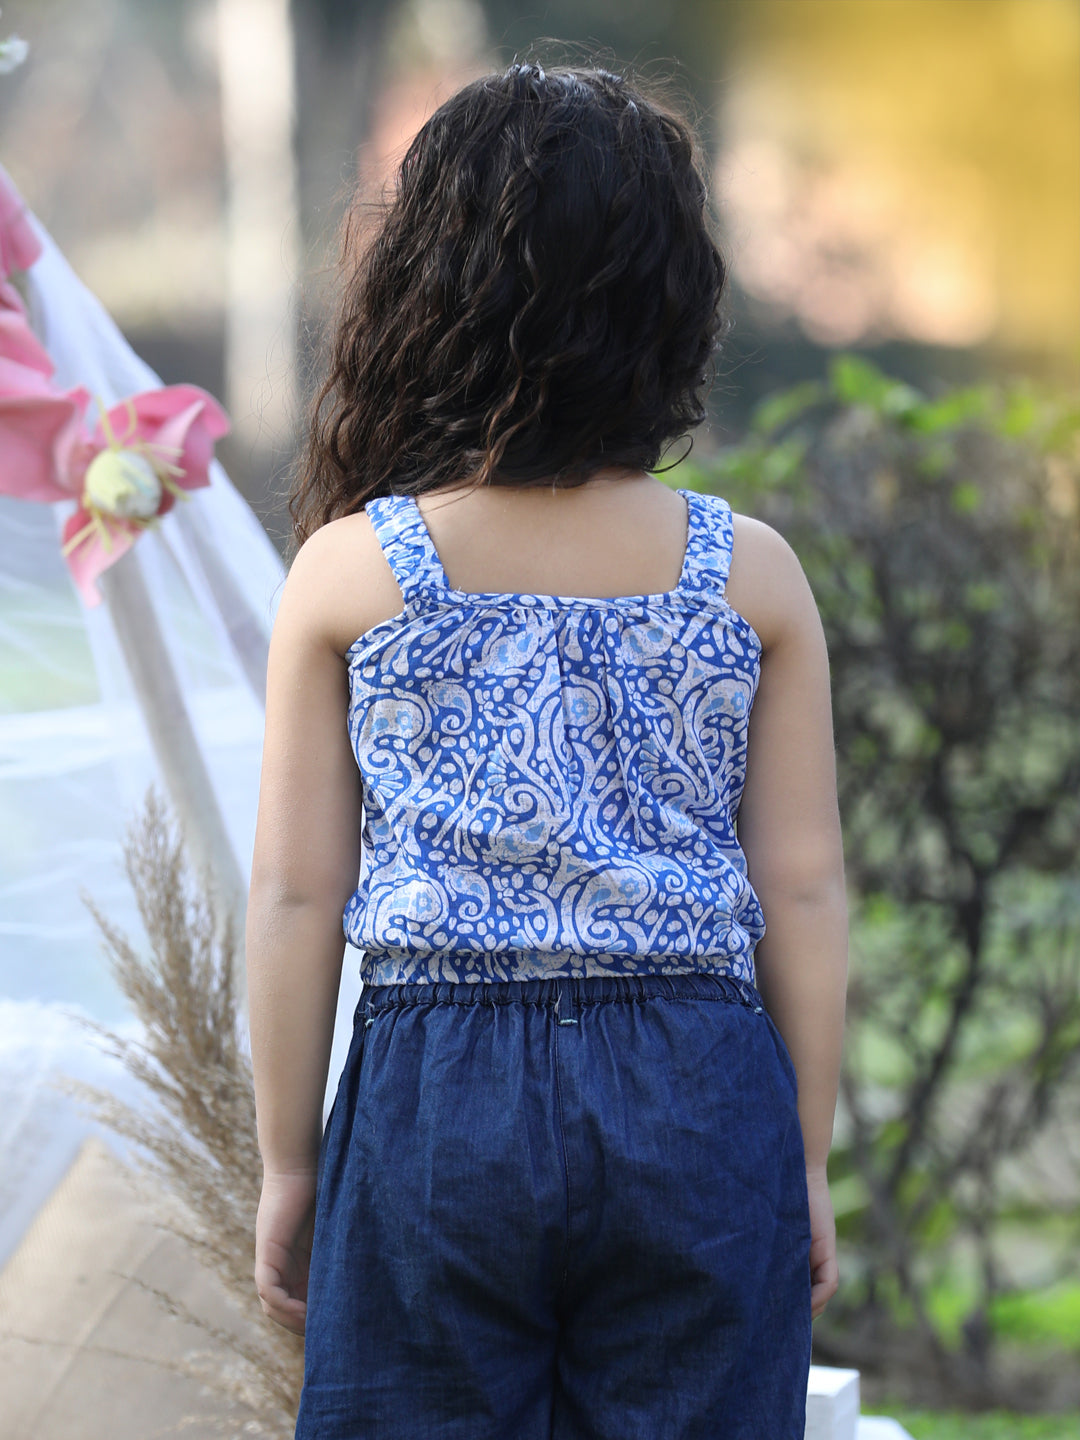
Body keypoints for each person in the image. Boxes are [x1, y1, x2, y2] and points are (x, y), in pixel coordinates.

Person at [246, 60, 848, 1440]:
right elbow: (804, 889)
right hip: (699, 1090)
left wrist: (290, 1162)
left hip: (439, 1096)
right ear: (674, 301)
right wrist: (804, 1158)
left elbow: (296, 895)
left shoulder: (353, 573)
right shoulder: (750, 575)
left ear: (425, 292)